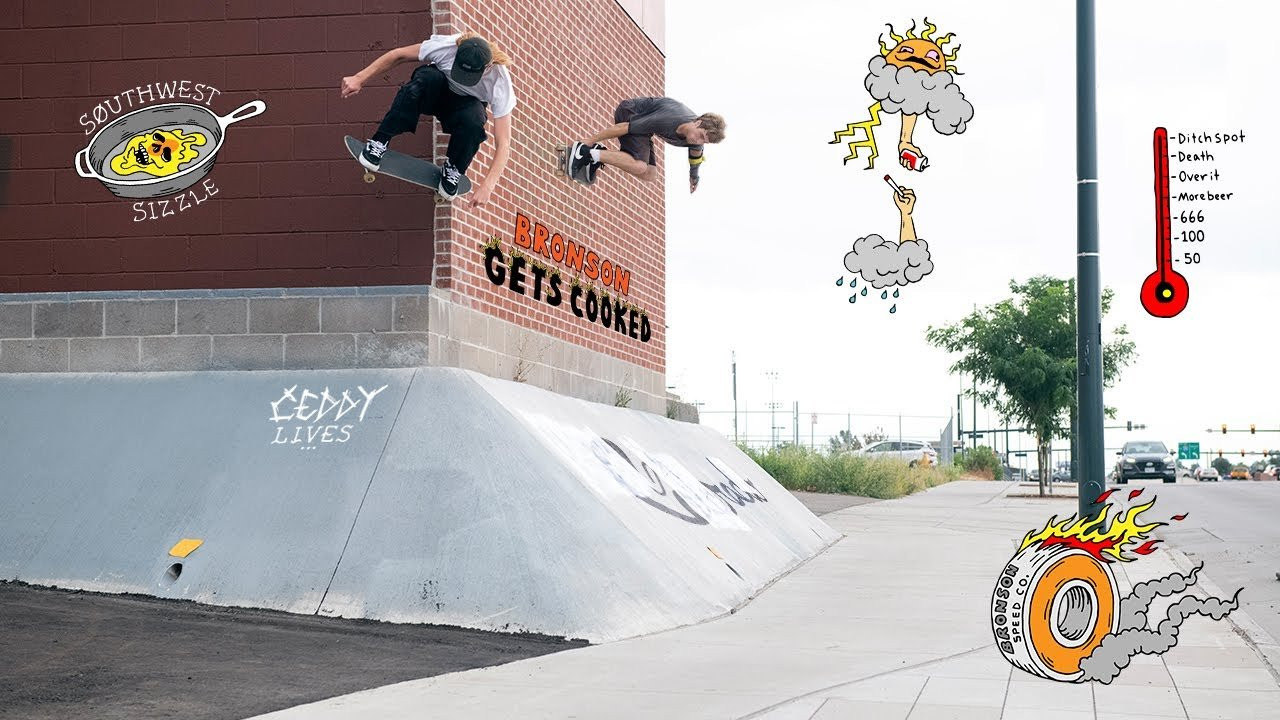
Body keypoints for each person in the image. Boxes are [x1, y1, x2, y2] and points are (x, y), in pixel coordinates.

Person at [340, 31, 515, 206]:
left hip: (461, 110)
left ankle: (454, 168)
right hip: (434, 92)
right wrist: (359, 78)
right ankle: (379, 142)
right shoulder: (447, 46)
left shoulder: (499, 80)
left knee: (475, 118)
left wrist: (488, 186)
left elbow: (504, 142)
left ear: (488, 66)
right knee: (426, 79)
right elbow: (398, 55)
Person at [568, 97, 724, 193]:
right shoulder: (670, 118)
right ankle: (586, 152)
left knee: (650, 174)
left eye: (705, 141)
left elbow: (695, 159)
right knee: (640, 166)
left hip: (646, 129)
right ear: (697, 122)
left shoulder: (695, 141)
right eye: (701, 136)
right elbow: (624, 128)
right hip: (630, 112)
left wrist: (694, 177)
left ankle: (597, 155)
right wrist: (588, 142)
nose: (699, 141)